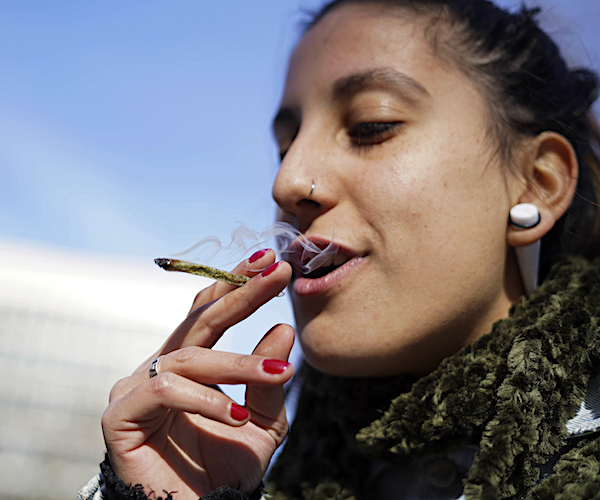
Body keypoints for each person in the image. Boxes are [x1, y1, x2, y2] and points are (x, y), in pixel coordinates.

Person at [78, 0, 600, 498]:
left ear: (537, 183)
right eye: (285, 146)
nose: (287, 181)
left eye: (372, 126)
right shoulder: (257, 467)